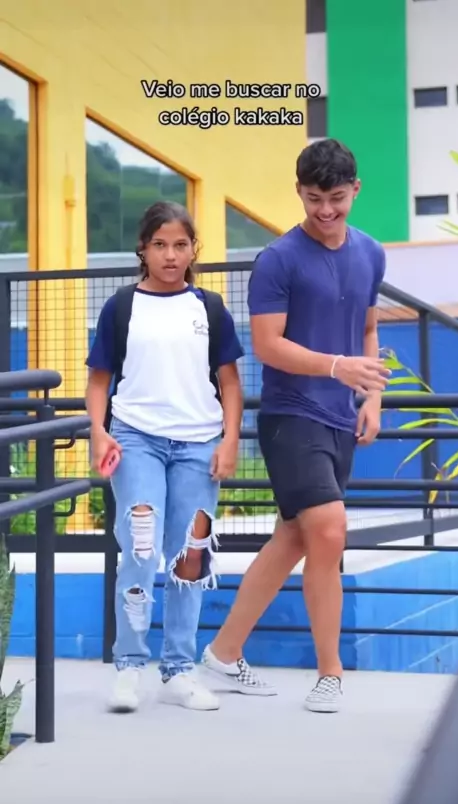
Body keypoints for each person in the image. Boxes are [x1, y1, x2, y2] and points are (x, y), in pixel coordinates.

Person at [201, 138, 390, 713]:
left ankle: (223, 653)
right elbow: (267, 344)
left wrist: (371, 397)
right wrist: (336, 367)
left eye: (336, 198)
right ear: (299, 193)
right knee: (329, 530)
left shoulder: (372, 252)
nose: (325, 210)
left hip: (339, 417)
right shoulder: (277, 260)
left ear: (355, 190)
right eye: (313, 199)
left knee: (294, 538)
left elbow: (367, 330)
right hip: (290, 415)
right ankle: (330, 672)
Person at [85, 200, 244, 713]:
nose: (170, 255)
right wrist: (98, 432)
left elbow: (230, 383)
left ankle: (179, 669)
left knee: (189, 555)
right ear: (143, 249)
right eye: (160, 245)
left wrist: (230, 439)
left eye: (180, 245)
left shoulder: (210, 308)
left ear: (193, 249)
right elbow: (99, 381)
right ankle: (129, 667)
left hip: (199, 443)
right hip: (136, 439)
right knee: (139, 547)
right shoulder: (121, 306)